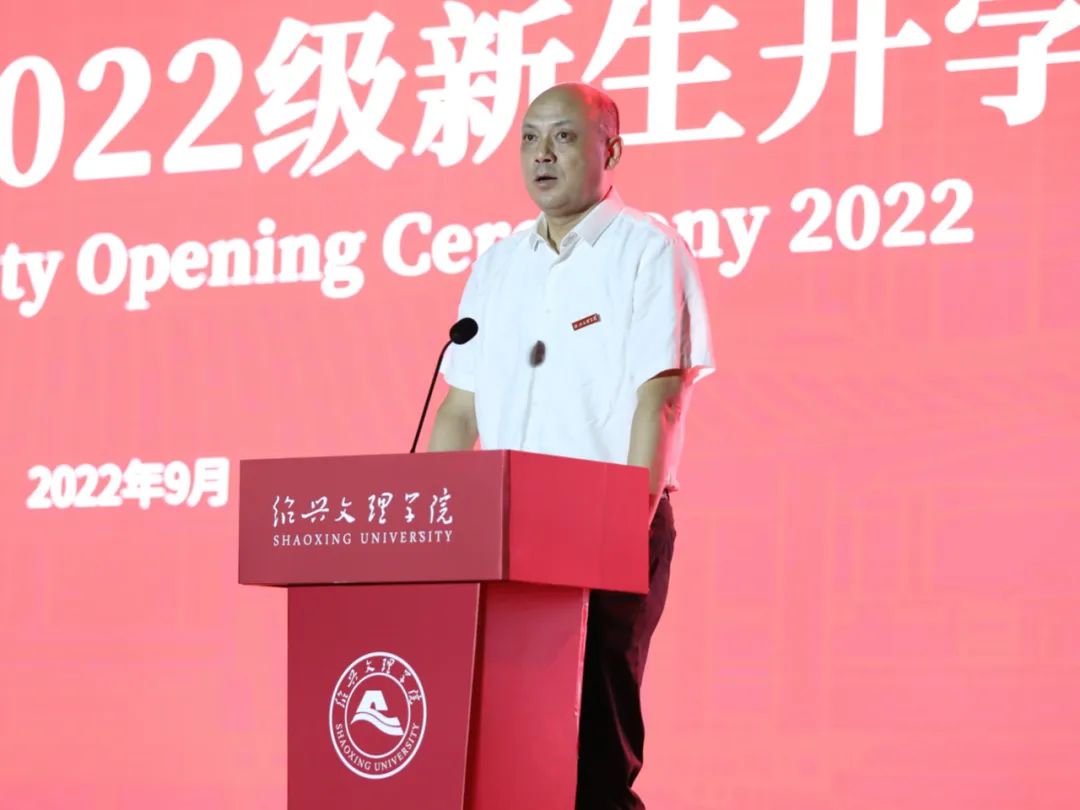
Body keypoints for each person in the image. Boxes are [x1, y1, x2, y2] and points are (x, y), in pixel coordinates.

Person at [427, 82, 714, 809]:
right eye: (529, 138)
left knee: (590, 760)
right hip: (503, 539)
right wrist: (426, 531)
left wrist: (619, 534)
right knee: (502, 752)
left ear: (610, 151)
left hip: (606, 528)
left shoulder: (647, 251)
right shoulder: (497, 265)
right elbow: (459, 412)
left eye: (562, 136)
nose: (541, 154)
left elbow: (659, 399)